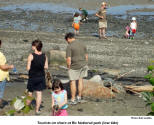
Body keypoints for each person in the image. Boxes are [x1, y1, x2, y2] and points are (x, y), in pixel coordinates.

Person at [65, 32, 88, 104]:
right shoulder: (82, 43)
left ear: (68, 38)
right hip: (83, 65)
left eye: (66, 40)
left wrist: (68, 67)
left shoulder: (69, 46)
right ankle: (79, 97)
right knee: (80, 81)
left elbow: (68, 59)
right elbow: (86, 56)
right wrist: (85, 63)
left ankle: (73, 99)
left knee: (72, 82)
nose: (67, 42)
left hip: (74, 66)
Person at [26, 39, 48, 115]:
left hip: (32, 77)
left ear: (35, 47)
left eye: (32, 45)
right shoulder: (44, 55)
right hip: (41, 77)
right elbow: (46, 67)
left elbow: (28, 68)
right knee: (39, 94)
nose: (31, 47)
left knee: (30, 93)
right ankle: (37, 110)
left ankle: (27, 107)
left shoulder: (31, 55)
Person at [0, 40, 14, 108]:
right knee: (0, 93)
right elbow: (2, 67)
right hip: (1, 77)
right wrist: (10, 66)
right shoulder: (0, 55)